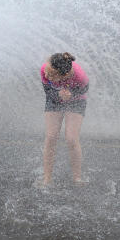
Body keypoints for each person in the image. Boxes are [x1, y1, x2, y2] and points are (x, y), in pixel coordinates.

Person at [40, 52, 89, 185]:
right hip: (54, 100)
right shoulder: (46, 68)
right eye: (47, 71)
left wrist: (71, 94)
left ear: (64, 76)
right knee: (51, 137)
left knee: (71, 139)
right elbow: (47, 91)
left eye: (51, 75)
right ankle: (47, 178)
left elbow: (85, 89)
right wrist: (57, 94)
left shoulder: (79, 75)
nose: (46, 75)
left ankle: (77, 178)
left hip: (77, 100)